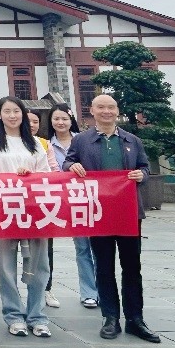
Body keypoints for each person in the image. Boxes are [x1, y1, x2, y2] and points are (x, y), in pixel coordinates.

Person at [64, 94, 160, 344]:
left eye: (111, 107)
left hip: (128, 212)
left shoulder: (132, 140)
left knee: (132, 266)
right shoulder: (81, 140)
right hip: (98, 213)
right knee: (104, 266)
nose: (106, 111)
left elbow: (145, 167)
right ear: (92, 111)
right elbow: (68, 162)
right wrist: (71, 166)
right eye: (101, 107)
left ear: (117, 111)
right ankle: (110, 317)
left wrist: (142, 175)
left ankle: (135, 319)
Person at [0, 96, 52, 338]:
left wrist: (30, 176)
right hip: (5, 211)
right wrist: (10, 179)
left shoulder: (35, 143)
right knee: (6, 267)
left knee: (40, 266)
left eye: (16, 111)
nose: (12, 116)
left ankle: (37, 316)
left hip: (35, 211)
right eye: (7, 111)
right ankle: (14, 315)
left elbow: (46, 175)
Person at [47, 104, 99, 309]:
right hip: (59, 201)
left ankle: (99, 290)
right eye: (56, 119)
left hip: (87, 199)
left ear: (71, 120)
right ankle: (88, 292)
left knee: (96, 246)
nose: (60, 122)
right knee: (81, 247)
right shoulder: (45, 145)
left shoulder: (85, 140)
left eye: (64, 119)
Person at [28, 109, 61, 309]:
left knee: (44, 251)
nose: (31, 125)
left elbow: (54, 170)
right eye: (28, 121)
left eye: (35, 121)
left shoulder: (44, 144)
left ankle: (46, 289)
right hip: (13, 203)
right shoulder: (3, 142)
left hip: (41, 203)